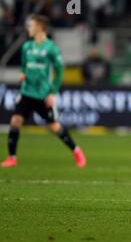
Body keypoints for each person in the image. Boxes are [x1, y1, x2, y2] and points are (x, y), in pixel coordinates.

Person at [1, 14, 86, 168]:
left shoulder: (51, 48)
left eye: (31, 25)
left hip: (42, 94)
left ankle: (76, 150)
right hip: (27, 91)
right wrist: (23, 73)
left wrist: (52, 92)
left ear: (40, 28)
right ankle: (12, 158)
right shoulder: (27, 46)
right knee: (15, 121)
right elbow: (24, 66)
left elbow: (60, 71)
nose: (28, 28)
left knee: (54, 126)